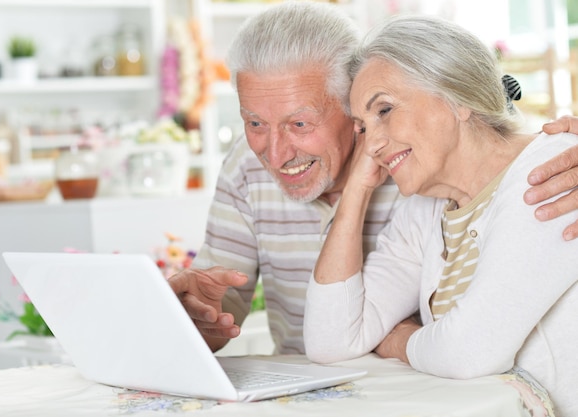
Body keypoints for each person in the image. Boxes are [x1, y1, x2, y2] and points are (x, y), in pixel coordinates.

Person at [168, 2, 578, 356]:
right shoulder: (247, 164)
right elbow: (225, 302)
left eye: (299, 123)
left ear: (351, 111)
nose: (274, 154)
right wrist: (194, 314)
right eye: (254, 122)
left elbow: (499, 144)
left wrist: (397, 341)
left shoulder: (425, 173)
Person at [303, 15, 577, 416]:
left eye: (385, 110)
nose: (373, 143)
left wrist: (399, 341)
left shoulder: (551, 174)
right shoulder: (426, 209)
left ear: (458, 97)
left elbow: (469, 350)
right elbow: (331, 340)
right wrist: (358, 189)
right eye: (363, 126)